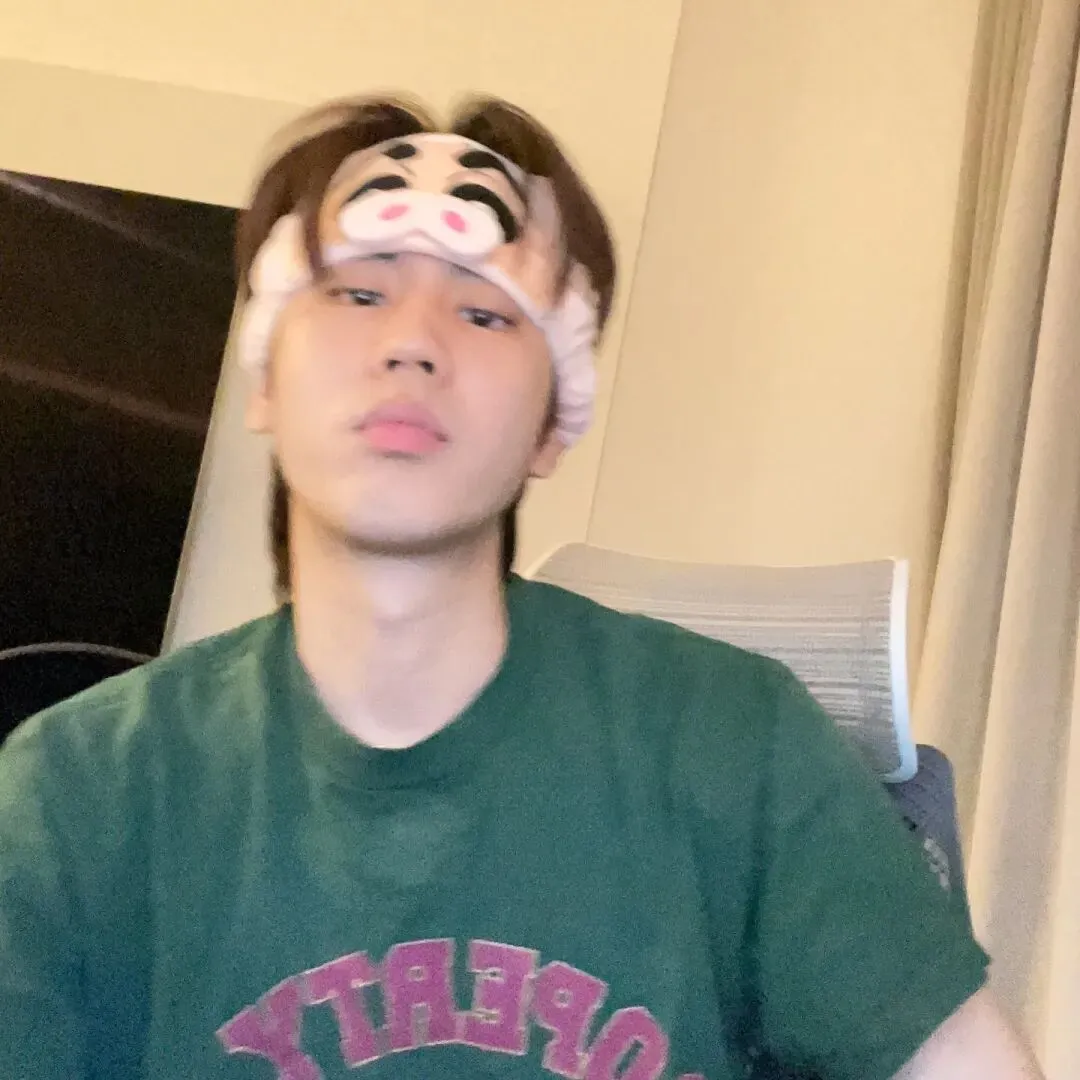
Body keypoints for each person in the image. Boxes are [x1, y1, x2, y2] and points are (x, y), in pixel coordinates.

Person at [0, 94, 1043, 1080]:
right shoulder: (74, 796)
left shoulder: (738, 741)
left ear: (553, 423)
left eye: (484, 312)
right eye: (359, 292)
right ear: (265, 374)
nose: (412, 343)